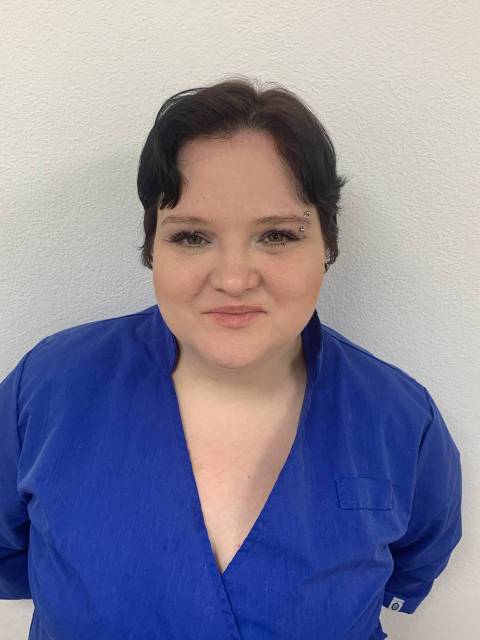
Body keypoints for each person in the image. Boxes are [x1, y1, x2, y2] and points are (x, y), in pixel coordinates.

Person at [0, 77, 462, 640]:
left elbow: (414, 559)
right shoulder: (48, 387)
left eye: (278, 235)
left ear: (328, 245)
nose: (235, 279)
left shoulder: (401, 420)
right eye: (192, 237)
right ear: (152, 247)